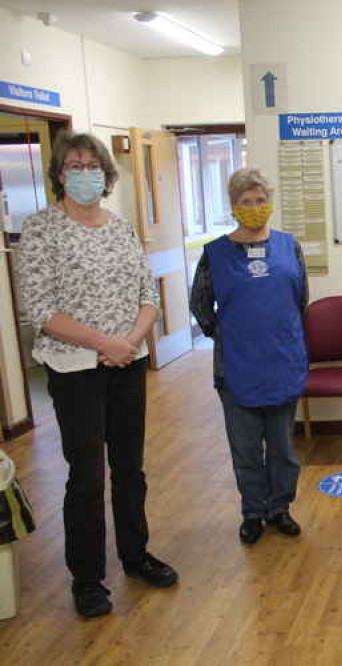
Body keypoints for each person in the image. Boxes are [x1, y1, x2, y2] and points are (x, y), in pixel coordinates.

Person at [16, 131, 177, 618]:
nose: (84, 173)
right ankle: (87, 579)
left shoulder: (121, 228)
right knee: (86, 476)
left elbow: (147, 295)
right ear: (60, 174)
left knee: (130, 469)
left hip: (126, 365)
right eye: (74, 165)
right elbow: (40, 311)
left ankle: (136, 555)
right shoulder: (42, 230)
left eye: (92, 166)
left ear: (105, 175)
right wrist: (103, 342)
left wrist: (129, 340)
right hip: (74, 369)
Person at [190, 168, 309, 546]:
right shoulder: (215, 254)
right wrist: (230, 335)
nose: (255, 207)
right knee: (245, 448)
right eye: (246, 202)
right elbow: (201, 306)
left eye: (261, 200)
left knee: (282, 447)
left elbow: (300, 298)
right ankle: (253, 512)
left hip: (282, 360)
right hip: (236, 366)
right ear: (233, 207)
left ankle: (281, 508)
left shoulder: (290, 247)